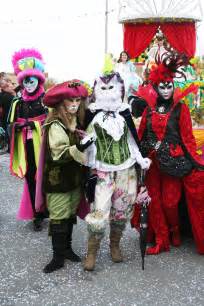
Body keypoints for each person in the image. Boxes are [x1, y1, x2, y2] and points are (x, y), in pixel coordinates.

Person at [131, 51, 204, 255]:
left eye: (169, 86)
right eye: (161, 86)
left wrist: (196, 162)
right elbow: (141, 135)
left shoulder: (181, 109)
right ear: (156, 87)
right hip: (153, 162)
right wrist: (140, 155)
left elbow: (188, 139)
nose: (165, 90)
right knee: (154, 202)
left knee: (170, 202)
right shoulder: (149, 110)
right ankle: (161, 239)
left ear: (173, 86)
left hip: (174, 162)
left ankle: (175, 230)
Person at [83, 68, 151, 271]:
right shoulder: (93, 116)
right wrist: (89, 166)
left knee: (121, 211)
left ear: (119, 89)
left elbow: (132, 141)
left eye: (111, 86)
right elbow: (89, 146)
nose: (107, 90)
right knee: (99, 211)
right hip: (103, 171)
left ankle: (115, 245)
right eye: (103, 87)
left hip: (126, 170)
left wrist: (141, 159)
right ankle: (92, 252)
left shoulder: (124, 114)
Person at [41, 80, 92, 273]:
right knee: (59, 217)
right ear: (61, 102)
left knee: (70, 215)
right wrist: (80, 146)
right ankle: (57, 257)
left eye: (78, 100)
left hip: (74, 179)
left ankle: (67, 249)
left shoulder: (74, 121)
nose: (74, 104)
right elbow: (58, 154)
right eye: (70, 100)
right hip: (58, 180)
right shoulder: (55, 124)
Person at [9, 48, 47, 231]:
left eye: (31, 80)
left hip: (45, 147)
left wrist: (35, 126)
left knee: (46, 177)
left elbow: (53, 122)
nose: (28, 83)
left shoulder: (46, 100)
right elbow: (11, 123)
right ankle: (37, 213)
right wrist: (17, 127)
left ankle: (50, 210)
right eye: (25, 80)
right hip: (27, 146)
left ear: (38, 79)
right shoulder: (19, 102)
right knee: (31, 178)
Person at [0, 72, 16, 152]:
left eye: (10, 82)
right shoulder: (5, 96)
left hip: (10, 122)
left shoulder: (11, 96)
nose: (10, 84)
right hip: (7, 123)